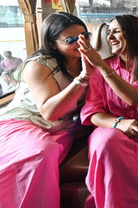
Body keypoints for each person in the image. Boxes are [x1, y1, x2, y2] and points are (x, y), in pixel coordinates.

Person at [0, 12, 93, 208]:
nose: (81, 42)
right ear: (52, 44)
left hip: (63, 126)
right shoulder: (39, 65)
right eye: (72, 40)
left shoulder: (88, 59)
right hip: (24, 121)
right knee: (42, 153)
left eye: (85, 36)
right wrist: (84, 77)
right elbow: (50, 112)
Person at [79, 15, 138, 208]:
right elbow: (92, 112)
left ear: (133, 34)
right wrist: (118, 123)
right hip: (111, 123)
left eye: (116, 31)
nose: (110, 37)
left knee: (124, 167)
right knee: (107, 143)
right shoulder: (100, 67)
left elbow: (134, 98)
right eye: (108, 32)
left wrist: (102, 66)